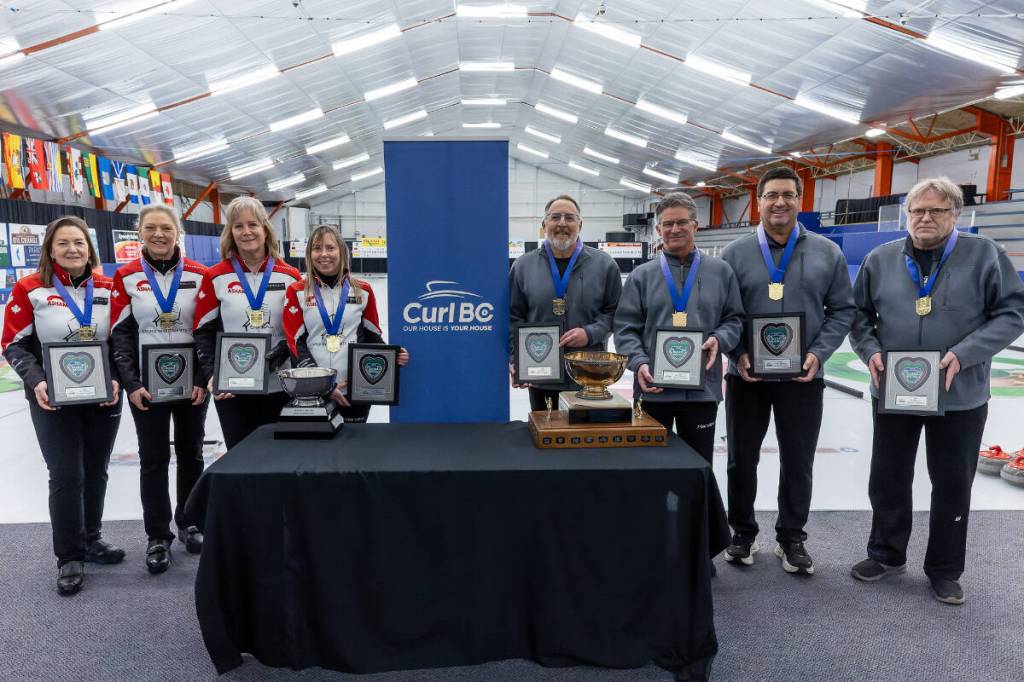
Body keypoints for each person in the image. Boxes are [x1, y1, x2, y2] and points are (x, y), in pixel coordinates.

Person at [849, 177, 1024, 604]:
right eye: (917, 211)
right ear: (906, 215)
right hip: (893, 388)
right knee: (888, 476)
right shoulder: (880, 258)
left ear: (956, 214)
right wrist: (869, 351)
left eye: (936, 211)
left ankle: (945, 569)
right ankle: (887, 553)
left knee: (952, 482)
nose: (925, 218)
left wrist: (964, 354)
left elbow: (1013, 312)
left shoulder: (985, 255)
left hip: (959, 393)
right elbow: (858, 316)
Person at [721, 166, 855, 575]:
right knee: (741, 459)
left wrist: (819, 353)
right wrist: (738, 353)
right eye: (771, 195)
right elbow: (724, 313)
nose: (780, 202)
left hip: (803, 377)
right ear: (757, 201)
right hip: (747, 377)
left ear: (800, 200)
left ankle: (791, 536)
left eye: (788, 195)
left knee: (798, 459)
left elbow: (843, 310)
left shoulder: (826, 252)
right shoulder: (734, 253)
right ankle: (742, 532)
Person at [1, 216, 123, 596]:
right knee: (67, 473)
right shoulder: (29, 288)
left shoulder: (107, 287)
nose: (73, 250)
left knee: (96, 470)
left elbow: (122, 339)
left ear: (90, 249)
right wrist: (36, 381)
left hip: (102, 396)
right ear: (50, 250)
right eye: (64, 243)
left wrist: (118, 376)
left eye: (80, 243)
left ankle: (92, 537)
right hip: (52, 399)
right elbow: (13, 343)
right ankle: (68, 555)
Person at [110, 205, 209, 574]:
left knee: (192, 453)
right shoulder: (126, 276)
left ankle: (189, 521)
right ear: (139, 233)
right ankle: (157, 535)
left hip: (191, 383)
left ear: (177, 232)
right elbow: (119, 332)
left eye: (166, 228)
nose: (158, 234)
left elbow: (207, 330)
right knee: (153, 458)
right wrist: (132, 384)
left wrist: (201, 378)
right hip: (145, 388)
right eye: (150, 228)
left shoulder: (200, 275)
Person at [614, 192, 744, 462]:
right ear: (658, 229)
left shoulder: (721, 272)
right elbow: (625, 328)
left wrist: (720, 339)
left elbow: (734, 319)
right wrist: (639, 362)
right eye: (667, 224)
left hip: (702, 392)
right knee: (649, 468)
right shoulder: (641, 276)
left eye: (682, 222)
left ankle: (695, 508)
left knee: (698, 465)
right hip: (652, 390)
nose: (674, 229)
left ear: (695, 226)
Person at [194, 197, 301, 448]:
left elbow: (297, 333)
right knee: (240, 458)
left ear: (265, 229)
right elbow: (202, 332)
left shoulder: (290, 276)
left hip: (280, 385)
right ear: (230, 232)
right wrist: (212, 374)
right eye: (238, 226)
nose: (246, 232)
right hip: (234, 388)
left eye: (253, 224)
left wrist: (273, 359)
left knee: (281, 456)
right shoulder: (215, 276)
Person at [282, 225, 409, 421]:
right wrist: (322, 385)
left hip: (355, 390)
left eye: (330, 247)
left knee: (353, 448)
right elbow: (295, 344)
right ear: (309, 254)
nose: (324, 254)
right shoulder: (296, 291)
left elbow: (371, 337)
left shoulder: (363, 290)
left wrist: (392, 357)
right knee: (315, 448)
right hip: (312, 391)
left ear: (342, 251)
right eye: (317, 248)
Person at [508, 194, 622, 409]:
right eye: (555, 217)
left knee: (585, 439)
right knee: (546, 436)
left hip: (588, 373)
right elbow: (513, 316)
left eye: (569, 218)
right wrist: (517, 358)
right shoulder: (523, 266)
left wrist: (590, 333)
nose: (562, 223)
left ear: (580, 224)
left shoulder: (604, 265)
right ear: (544, 224)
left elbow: (615, 312)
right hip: (540, 373)